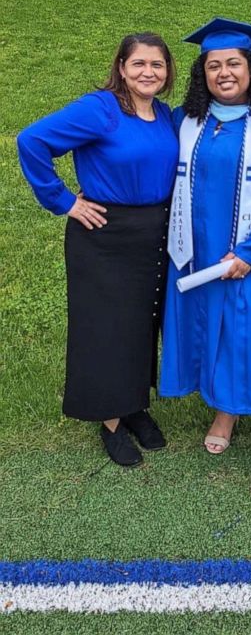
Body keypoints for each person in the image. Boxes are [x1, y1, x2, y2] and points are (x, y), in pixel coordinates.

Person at [17, 33, 179, 467]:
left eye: (157, 65)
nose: (149, 72)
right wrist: (64, 200)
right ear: (122, 67)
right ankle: (109, 420)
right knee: (106, 327)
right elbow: (32, 141)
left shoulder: (164, 115)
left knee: (140, 324)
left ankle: (133, 405)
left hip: (153, 234)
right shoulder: (101, 109)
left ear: (168, 73)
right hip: (105, 235)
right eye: (139, 64)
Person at [160, 18, 251, 501]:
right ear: (203, 74)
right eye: (213, 65)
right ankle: (225, 408)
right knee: (211, 328)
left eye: (233, 64)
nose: (223, 72)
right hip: (195, 252)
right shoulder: (186, 120)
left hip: (247, 255)